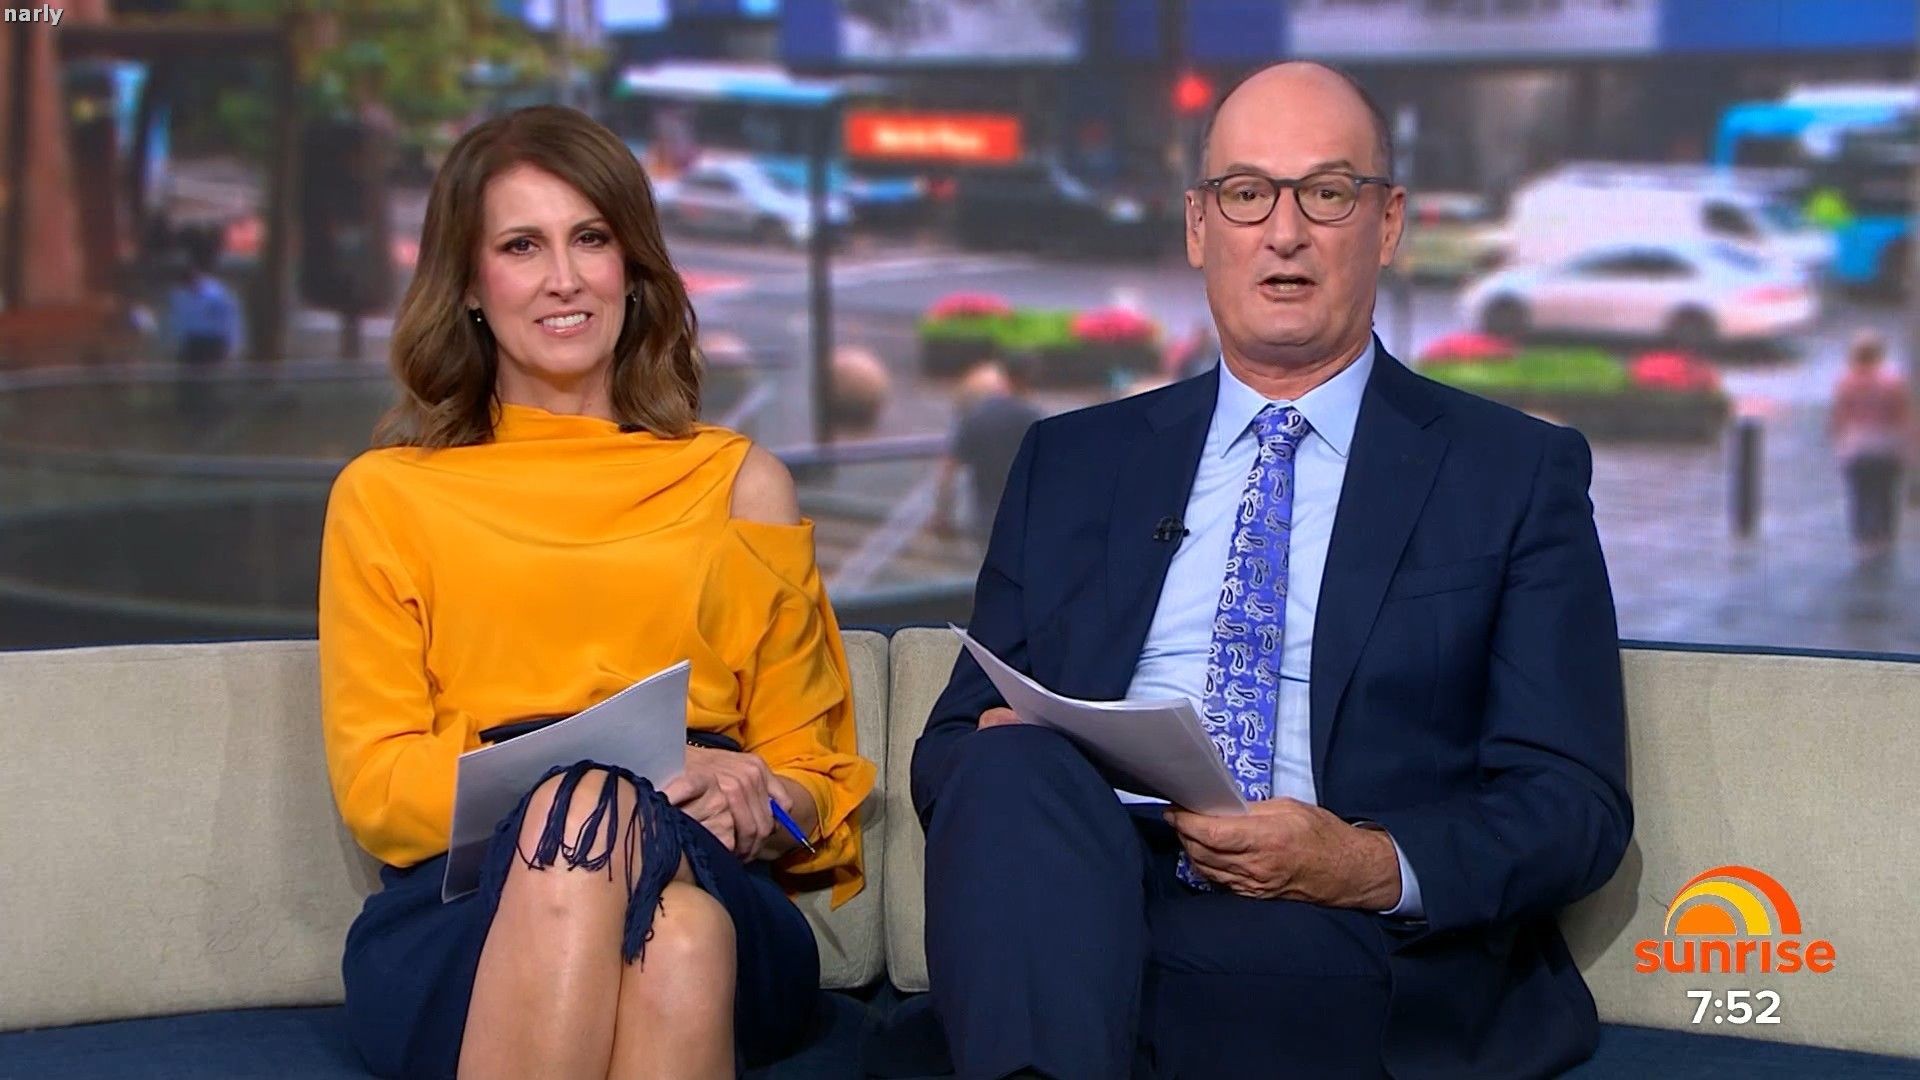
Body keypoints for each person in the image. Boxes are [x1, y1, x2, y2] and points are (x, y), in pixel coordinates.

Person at [911, 63, 1631, 1079]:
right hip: (1086, 887)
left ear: (1387, 223)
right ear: (1199, 226)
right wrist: (1019, 756)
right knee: (1010, 772)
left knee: (1113, 998)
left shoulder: (1511, 472)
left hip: (1337, 931)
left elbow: (1571, 805)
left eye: (1326, 192)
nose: (1283, 231)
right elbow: (948, 752)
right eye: (1247, 192)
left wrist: (1360, 863)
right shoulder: (1070, 463)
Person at [319, 105, 875, 1080]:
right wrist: (598, 777)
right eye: (521, 246)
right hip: (462, 915)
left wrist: (761, 796)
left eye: (591, 238)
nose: (564, 278)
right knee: (674, 936)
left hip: (708, 860)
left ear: (632, 266)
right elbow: (378, 790)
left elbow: (812, 778)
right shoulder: (387, 494)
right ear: (470, 285)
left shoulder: (739, 483)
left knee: (633, 853)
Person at [933, 352, 1045, 544]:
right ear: (1030, 376)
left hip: (982, 524)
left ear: (1005, 374)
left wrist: (943, 515)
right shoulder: (1034, 420)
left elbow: (948, 469)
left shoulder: (977, 415)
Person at [1829, 330, 1914, 563]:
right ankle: (1885, 539)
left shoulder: (1846, 383)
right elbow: (1903, 417)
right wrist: (1910, 447)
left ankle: (1863, 542)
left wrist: (1838, 444)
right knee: (1887, 494)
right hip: (1887, 446)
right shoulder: (1892, 382)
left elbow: (1838, 419)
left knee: (1860, 495)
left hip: (1857, 446)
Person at [166, 226, 241, 366]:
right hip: (190, 343)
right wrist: (174, 343)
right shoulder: (179, 295)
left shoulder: (217, 293)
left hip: (212, 342)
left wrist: (231, 345)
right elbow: (175, 320)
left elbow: (228, 320)